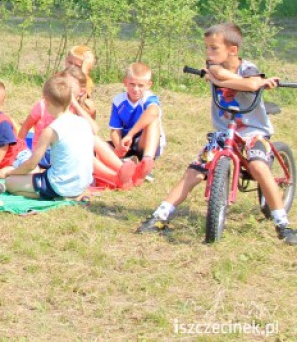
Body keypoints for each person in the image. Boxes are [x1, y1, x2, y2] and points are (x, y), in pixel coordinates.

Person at [137, 23, 297, 244]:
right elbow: (237, 80)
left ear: (232, 50)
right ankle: (160, 215)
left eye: (214, 48)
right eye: (207, 48)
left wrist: (252, 83)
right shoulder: (213, 67)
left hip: (253, 132)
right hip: (224, 132)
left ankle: (282, 223)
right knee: (194, 172)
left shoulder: (248, 67)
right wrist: (223, 80)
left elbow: (250, 82)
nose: (208, 54)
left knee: (259, 167)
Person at [0, 75, 94, 202]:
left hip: (60, 185)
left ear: (46, 100)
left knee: (10, 183)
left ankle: (58, 197)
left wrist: (11, 173)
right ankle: (66, 194)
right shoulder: (83, 122)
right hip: (83, 183)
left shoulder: (51, 130)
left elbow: (31, 164)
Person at [109, 62, 164, 186]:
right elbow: (114, 130)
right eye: (132, 84)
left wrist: (131, 134)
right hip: (126, 144)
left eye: (140, 85)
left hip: (143, 142)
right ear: (125, 82)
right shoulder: (118, 100)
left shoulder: (149, 98)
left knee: (153, 120)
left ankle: (146, 161)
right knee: (99, 145)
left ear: (149, 85)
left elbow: (153, 111)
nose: (136, 89)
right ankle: (125, 165)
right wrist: (119, 146)